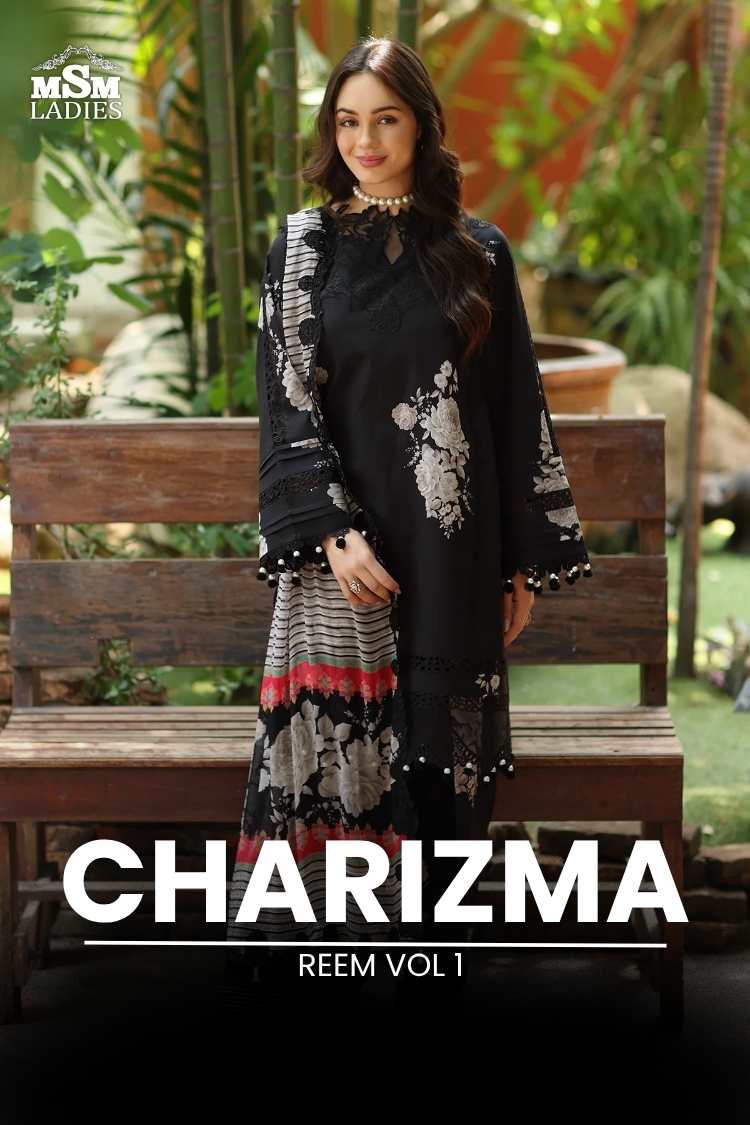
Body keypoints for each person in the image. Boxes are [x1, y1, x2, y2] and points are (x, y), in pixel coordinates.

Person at [225, 36, 593, 978]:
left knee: (442, 766)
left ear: (423, 127)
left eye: (385, 119)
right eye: (348, 121)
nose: (365, 141)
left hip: (452, 548)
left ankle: (435, 962)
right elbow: (286, 403)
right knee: (346, 772)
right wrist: (332, 533)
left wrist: (520, 560)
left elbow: (512, 407)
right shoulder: (302, 250)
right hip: (345, 563)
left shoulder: (477, 251)